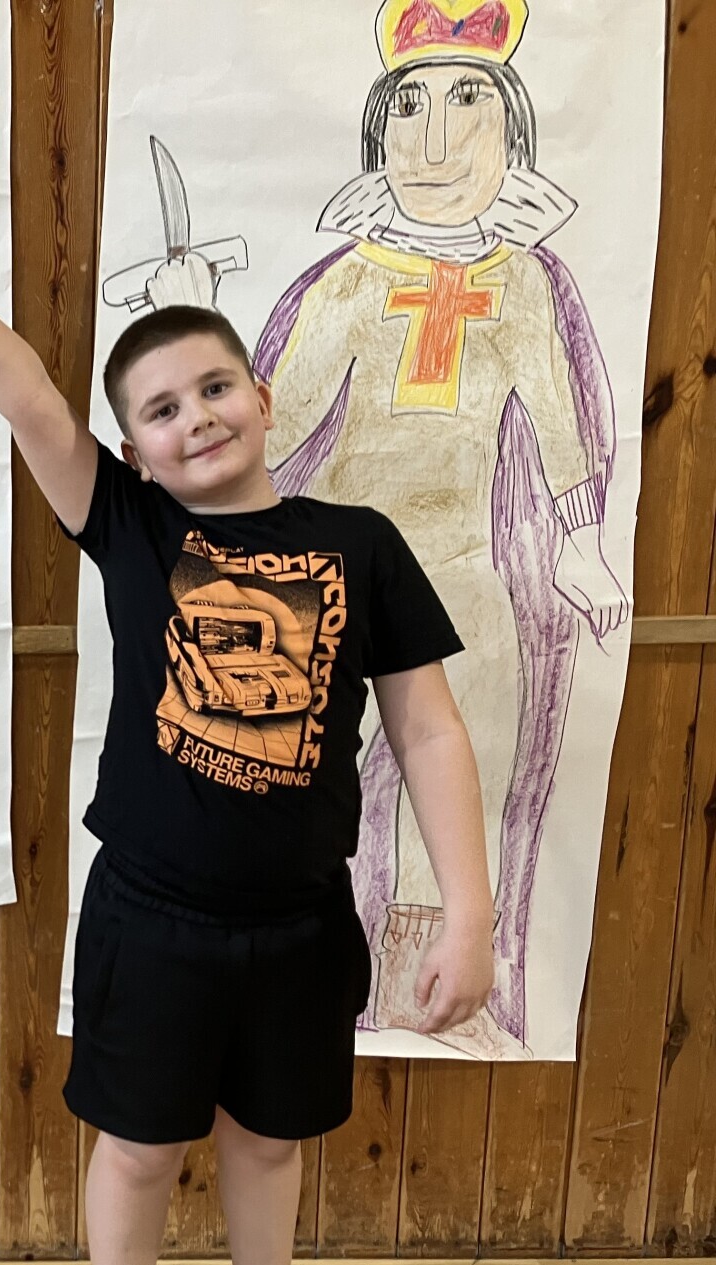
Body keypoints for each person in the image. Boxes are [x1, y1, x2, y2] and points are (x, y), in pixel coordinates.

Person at [0, 142, 496, 1265]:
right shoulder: (131, 526)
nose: (196, 417)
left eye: (215, 387)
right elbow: (23, 394)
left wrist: (469, 912)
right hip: (151, 919)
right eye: (162, 409)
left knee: (269, 1142)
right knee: (137, 1148)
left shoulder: (361, 547)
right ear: (135, 448)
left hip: (300, 925)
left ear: (263, 395)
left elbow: (431, 731)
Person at [253, 0, 628, 1057]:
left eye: (468, 104)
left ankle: (429, 993)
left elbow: (559, 420)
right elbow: (275, 419)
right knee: (297, 775)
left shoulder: (527, 288)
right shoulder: (349, 283)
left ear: (512, 131)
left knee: (466, 760)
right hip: (333, 570)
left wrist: (580, 544)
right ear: (378, 134)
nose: (435, 142)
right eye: (409, 109)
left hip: (462, 573)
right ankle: (290, 976)